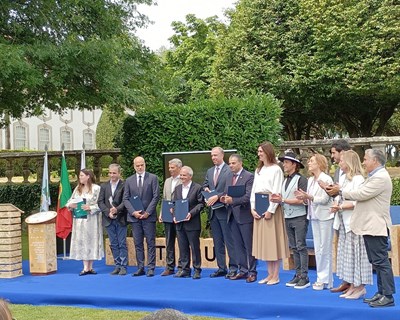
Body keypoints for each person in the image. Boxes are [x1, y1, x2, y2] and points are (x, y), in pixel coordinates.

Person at [342, 149, 396, 307]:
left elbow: (361, 193)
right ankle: (381, 293)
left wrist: (340, 190)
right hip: (371, 226)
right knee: (377, 261)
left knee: (381, 261)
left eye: (365, 159)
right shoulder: (375, 176)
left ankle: (388, 296)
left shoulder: (380, 177)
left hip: (376, 226)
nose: (363, 162)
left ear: (376, 161)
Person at [330, 150, 372, 299]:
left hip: (354, 223)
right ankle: (351, 285)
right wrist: (336, 203)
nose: (339, 163)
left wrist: (340, 206)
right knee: (347, 256)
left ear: (348, 162)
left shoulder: (359, 179)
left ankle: (359, 287)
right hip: (343, 223)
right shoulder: (344, 179)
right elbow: (339, 196)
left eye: (341, 161)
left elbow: (356, 201)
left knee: (357, 256)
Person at [250, 141, 288, 285]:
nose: (259, 154)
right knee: (264, 242)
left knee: (272, 242)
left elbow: (276, 190)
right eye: (258, 151)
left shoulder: (276, 169)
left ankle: (276, 275)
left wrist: (270, 210)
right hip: (259, 203)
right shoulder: (258, 170)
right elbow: (254, 189)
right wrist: (252, 207)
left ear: (268, 152)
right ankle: (269, 274)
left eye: (261, 151)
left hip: (270, 204)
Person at [271, 150, 310, 289]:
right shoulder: (285, 180)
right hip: (288, 216)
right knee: (294, 247)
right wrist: (277, 199)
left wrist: (283, 200)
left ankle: (304, 276)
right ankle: (298, 274)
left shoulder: (301, 179)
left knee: (300, 246)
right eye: (284, 162)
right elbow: (284, 198)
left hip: (299, 217)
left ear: (294, 164)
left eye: (286, 162)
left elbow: (302, 200)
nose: (284, 165)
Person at [295, 153, 334, 290]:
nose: (309, 163)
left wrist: (309, 197)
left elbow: (325, 199)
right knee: (318, 248)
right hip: (314, 216)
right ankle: (322, 279)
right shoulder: (310, 180)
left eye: (311, 161)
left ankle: (324, 279)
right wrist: (304, 198)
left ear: (319, 163)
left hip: (325, 216)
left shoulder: (326, 178)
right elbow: (310, 199)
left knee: (325, 248)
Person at [220, 154, 256, 282]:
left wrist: (232, 200)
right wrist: (223, 198)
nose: (230, 165)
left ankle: (252, 271)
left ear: (240, 163)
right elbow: (226, 192)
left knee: (248, 245)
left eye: (233, 163)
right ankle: (243, 270)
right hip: (232, 216)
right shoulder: (229, 176)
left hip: (244, 216)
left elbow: (248, 197)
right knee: (238, 245)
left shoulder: (249, 176)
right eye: (229, 163)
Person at [203, 147, 237, 278]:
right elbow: (205, 185)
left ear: (222, 155)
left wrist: (217, 196)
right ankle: (221, 268)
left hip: (225, 210)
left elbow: (231, 188)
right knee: (217, 241)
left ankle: (233, 267)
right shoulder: (210, 171)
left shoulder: (229, 170)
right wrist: (205, 189)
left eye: (215, 155)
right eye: (212, 156)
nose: (213, 158)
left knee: (229, 241)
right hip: (213, 212)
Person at [123, 156, 160, 277]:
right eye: (137, 165)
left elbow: (156, 197)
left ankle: (151, 268)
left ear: (145, 165)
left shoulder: (153, 178)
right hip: (135, 217)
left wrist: (148, 212)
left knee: (150, 242)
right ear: (134, 166)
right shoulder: (129, 180)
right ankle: (140, 267)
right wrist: (133, 212)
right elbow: (126, 198)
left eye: (141, 165)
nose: (140, 167)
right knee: (138, 243)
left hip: (148, 217)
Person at [324, 139, 352, 293]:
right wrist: (328, 190)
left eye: (334, 152)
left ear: (343, 152)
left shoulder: (354, 170)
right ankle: (345, 280)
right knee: (341, 250)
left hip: (349, 216)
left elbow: (353, 193)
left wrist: (337, 192)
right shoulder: (337, 171)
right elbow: (335, 192)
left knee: (350, 251)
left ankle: (352, 283)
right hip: (339, 214)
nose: (332, 156)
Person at [67, 168, 103, 276]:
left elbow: (101, 204)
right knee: (82, 241)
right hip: (79, 220)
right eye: (79, 175)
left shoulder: (97, 189)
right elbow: (70, 201)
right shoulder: (78, 189)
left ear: (88, 176)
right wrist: (70, 205)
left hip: (91, 220)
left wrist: (90, 207)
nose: (80, 177)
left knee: (91, 240)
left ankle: (90, 267)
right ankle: (85, 267)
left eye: (82, 175)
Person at [173, 166, 204, 279]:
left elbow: (201, 204)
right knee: (183, 247)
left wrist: (191, 213)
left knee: (195, 247)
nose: (182, 177)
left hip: (192, 223)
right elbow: (174, 204)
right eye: (181, 175)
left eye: (184, 175)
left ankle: (197, 270)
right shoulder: (177, 188)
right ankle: (185, 269)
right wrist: (174, 215)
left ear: (190, 176)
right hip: (180, 224)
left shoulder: (197, 188)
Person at [98, 164, 128, 276]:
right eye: (110, 173)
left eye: (114, 173)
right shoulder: (104, 186)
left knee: (122, 243)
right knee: (113, 243)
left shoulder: (124, 185)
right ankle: (117, 265)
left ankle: (124, 266)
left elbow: (126, 200)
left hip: (120, 218)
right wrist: (108, 212)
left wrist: (117, 210)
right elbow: (100, 202)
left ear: (119, 173)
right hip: (108, 219)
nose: (112, 175)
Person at [159, 158, 182, 276]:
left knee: (182, 241)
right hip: (167, 214)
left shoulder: (183, 180)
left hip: (179, 214)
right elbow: (164, 198)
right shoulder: (167, 181)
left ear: (179, 168)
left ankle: (182, 266)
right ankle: (169, 266)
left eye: (172, 167)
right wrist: (161, 213)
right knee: (169, 241)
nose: (170, 170)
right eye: (169, 167)